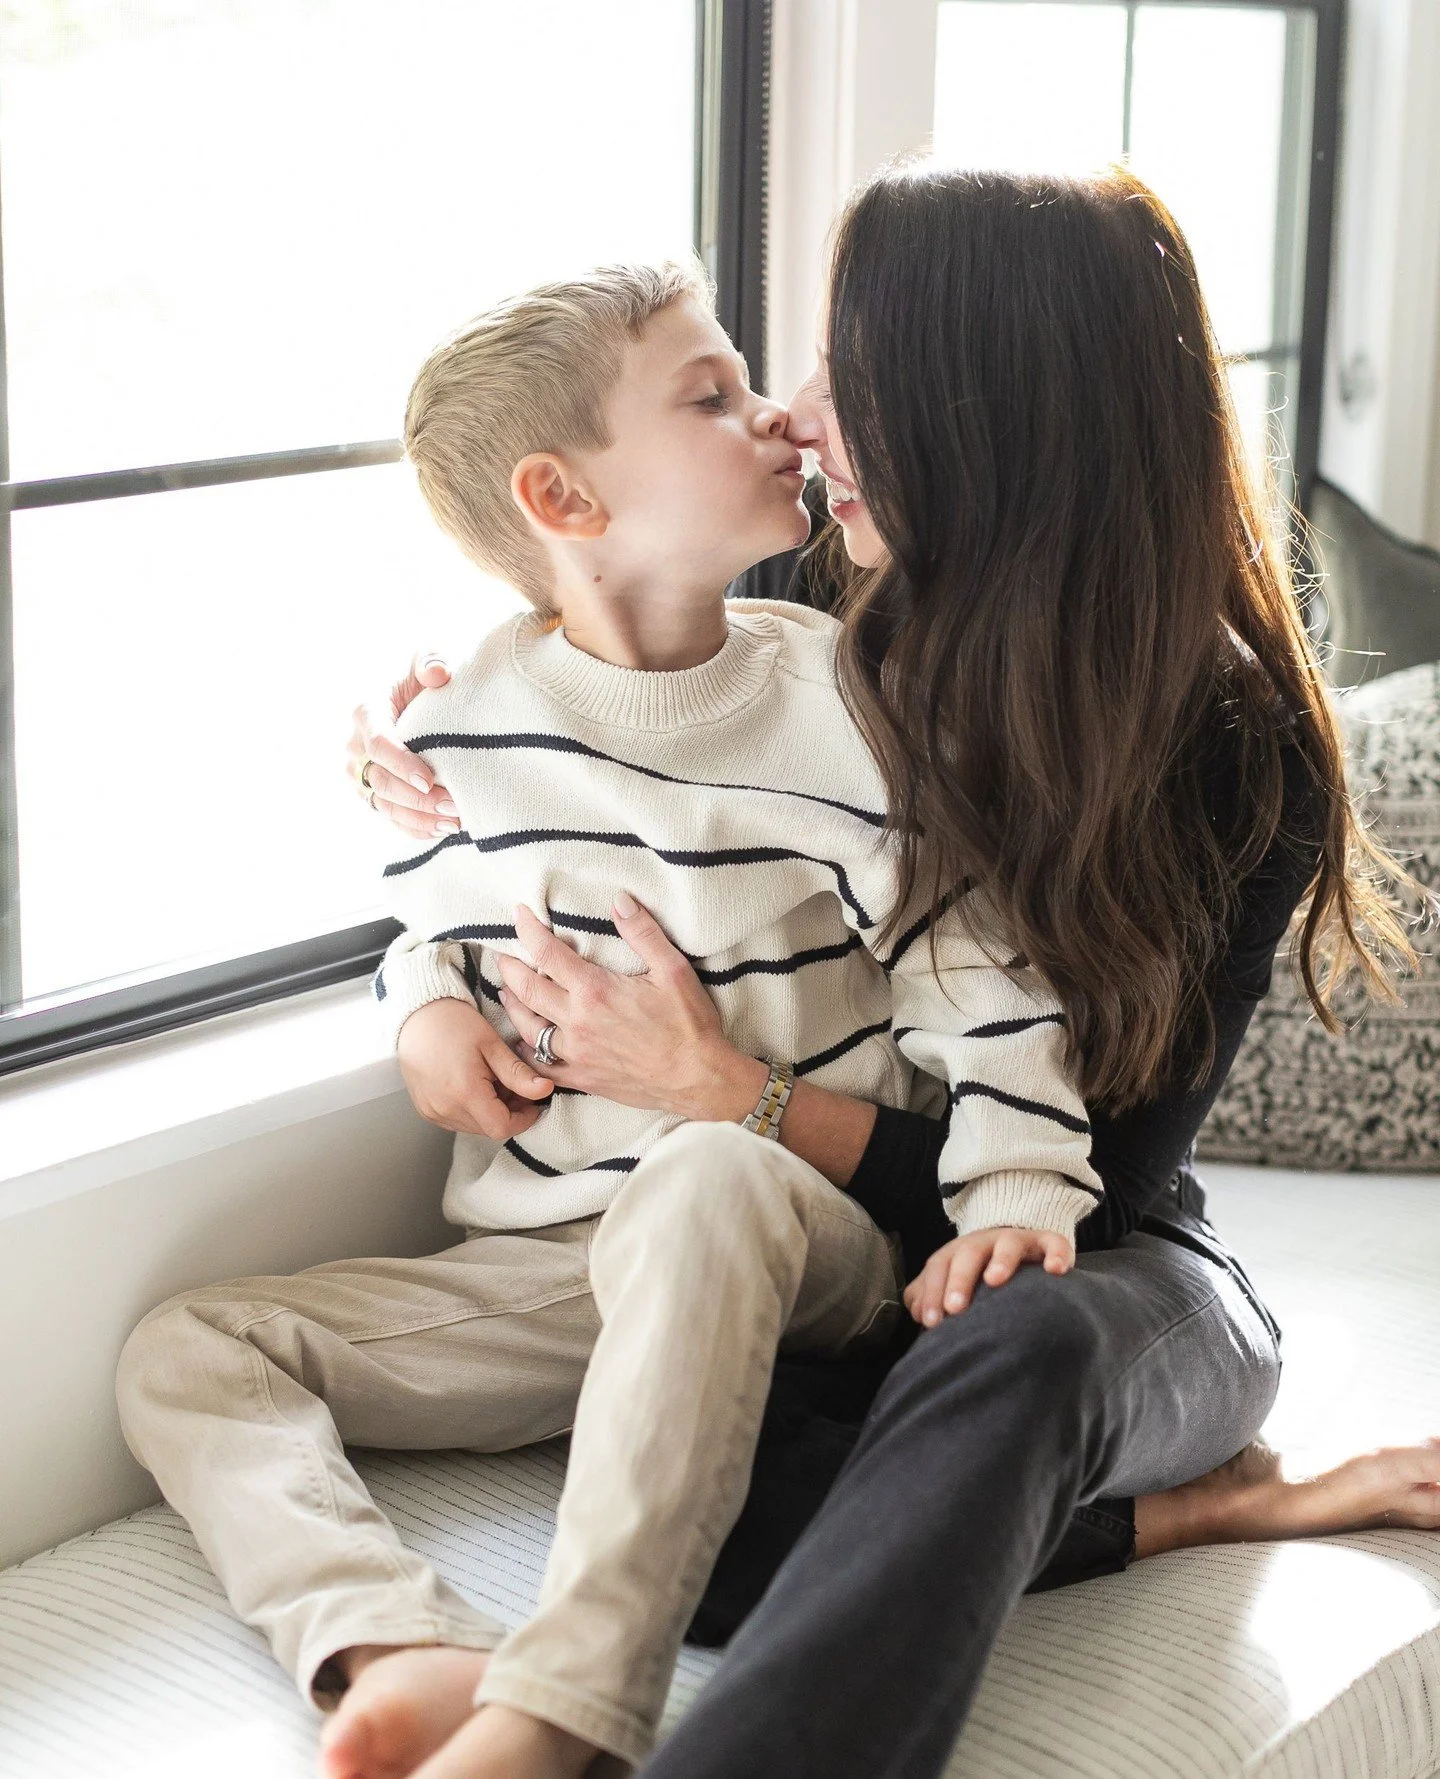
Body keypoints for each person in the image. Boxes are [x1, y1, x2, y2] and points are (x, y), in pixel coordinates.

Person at [349, 165, 1440, 1779]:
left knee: (1022, 1336)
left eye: (846, 380)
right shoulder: (809, 604)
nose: (795, 419)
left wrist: (736, 1093)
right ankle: (1201, 1514)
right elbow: (594, 672)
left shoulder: (1235, 744)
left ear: (988, 414)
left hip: (1103, 1266)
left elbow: (1102, 1195)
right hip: (851, 1260)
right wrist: (423, 738)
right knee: (703, 1510)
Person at [118, 255, 1124, 1779]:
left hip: (783, 1235)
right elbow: (433, 927)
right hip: (560, 1263)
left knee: (706, 1171)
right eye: (711, 397)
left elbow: (976, 975)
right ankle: (398, 1645)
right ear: (564, 498)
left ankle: (566, 1717)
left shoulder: (850, 706)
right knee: (185, 1348)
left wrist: (1019, 1190)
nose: (774, 417)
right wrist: (422, 1019)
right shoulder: (463, 727)